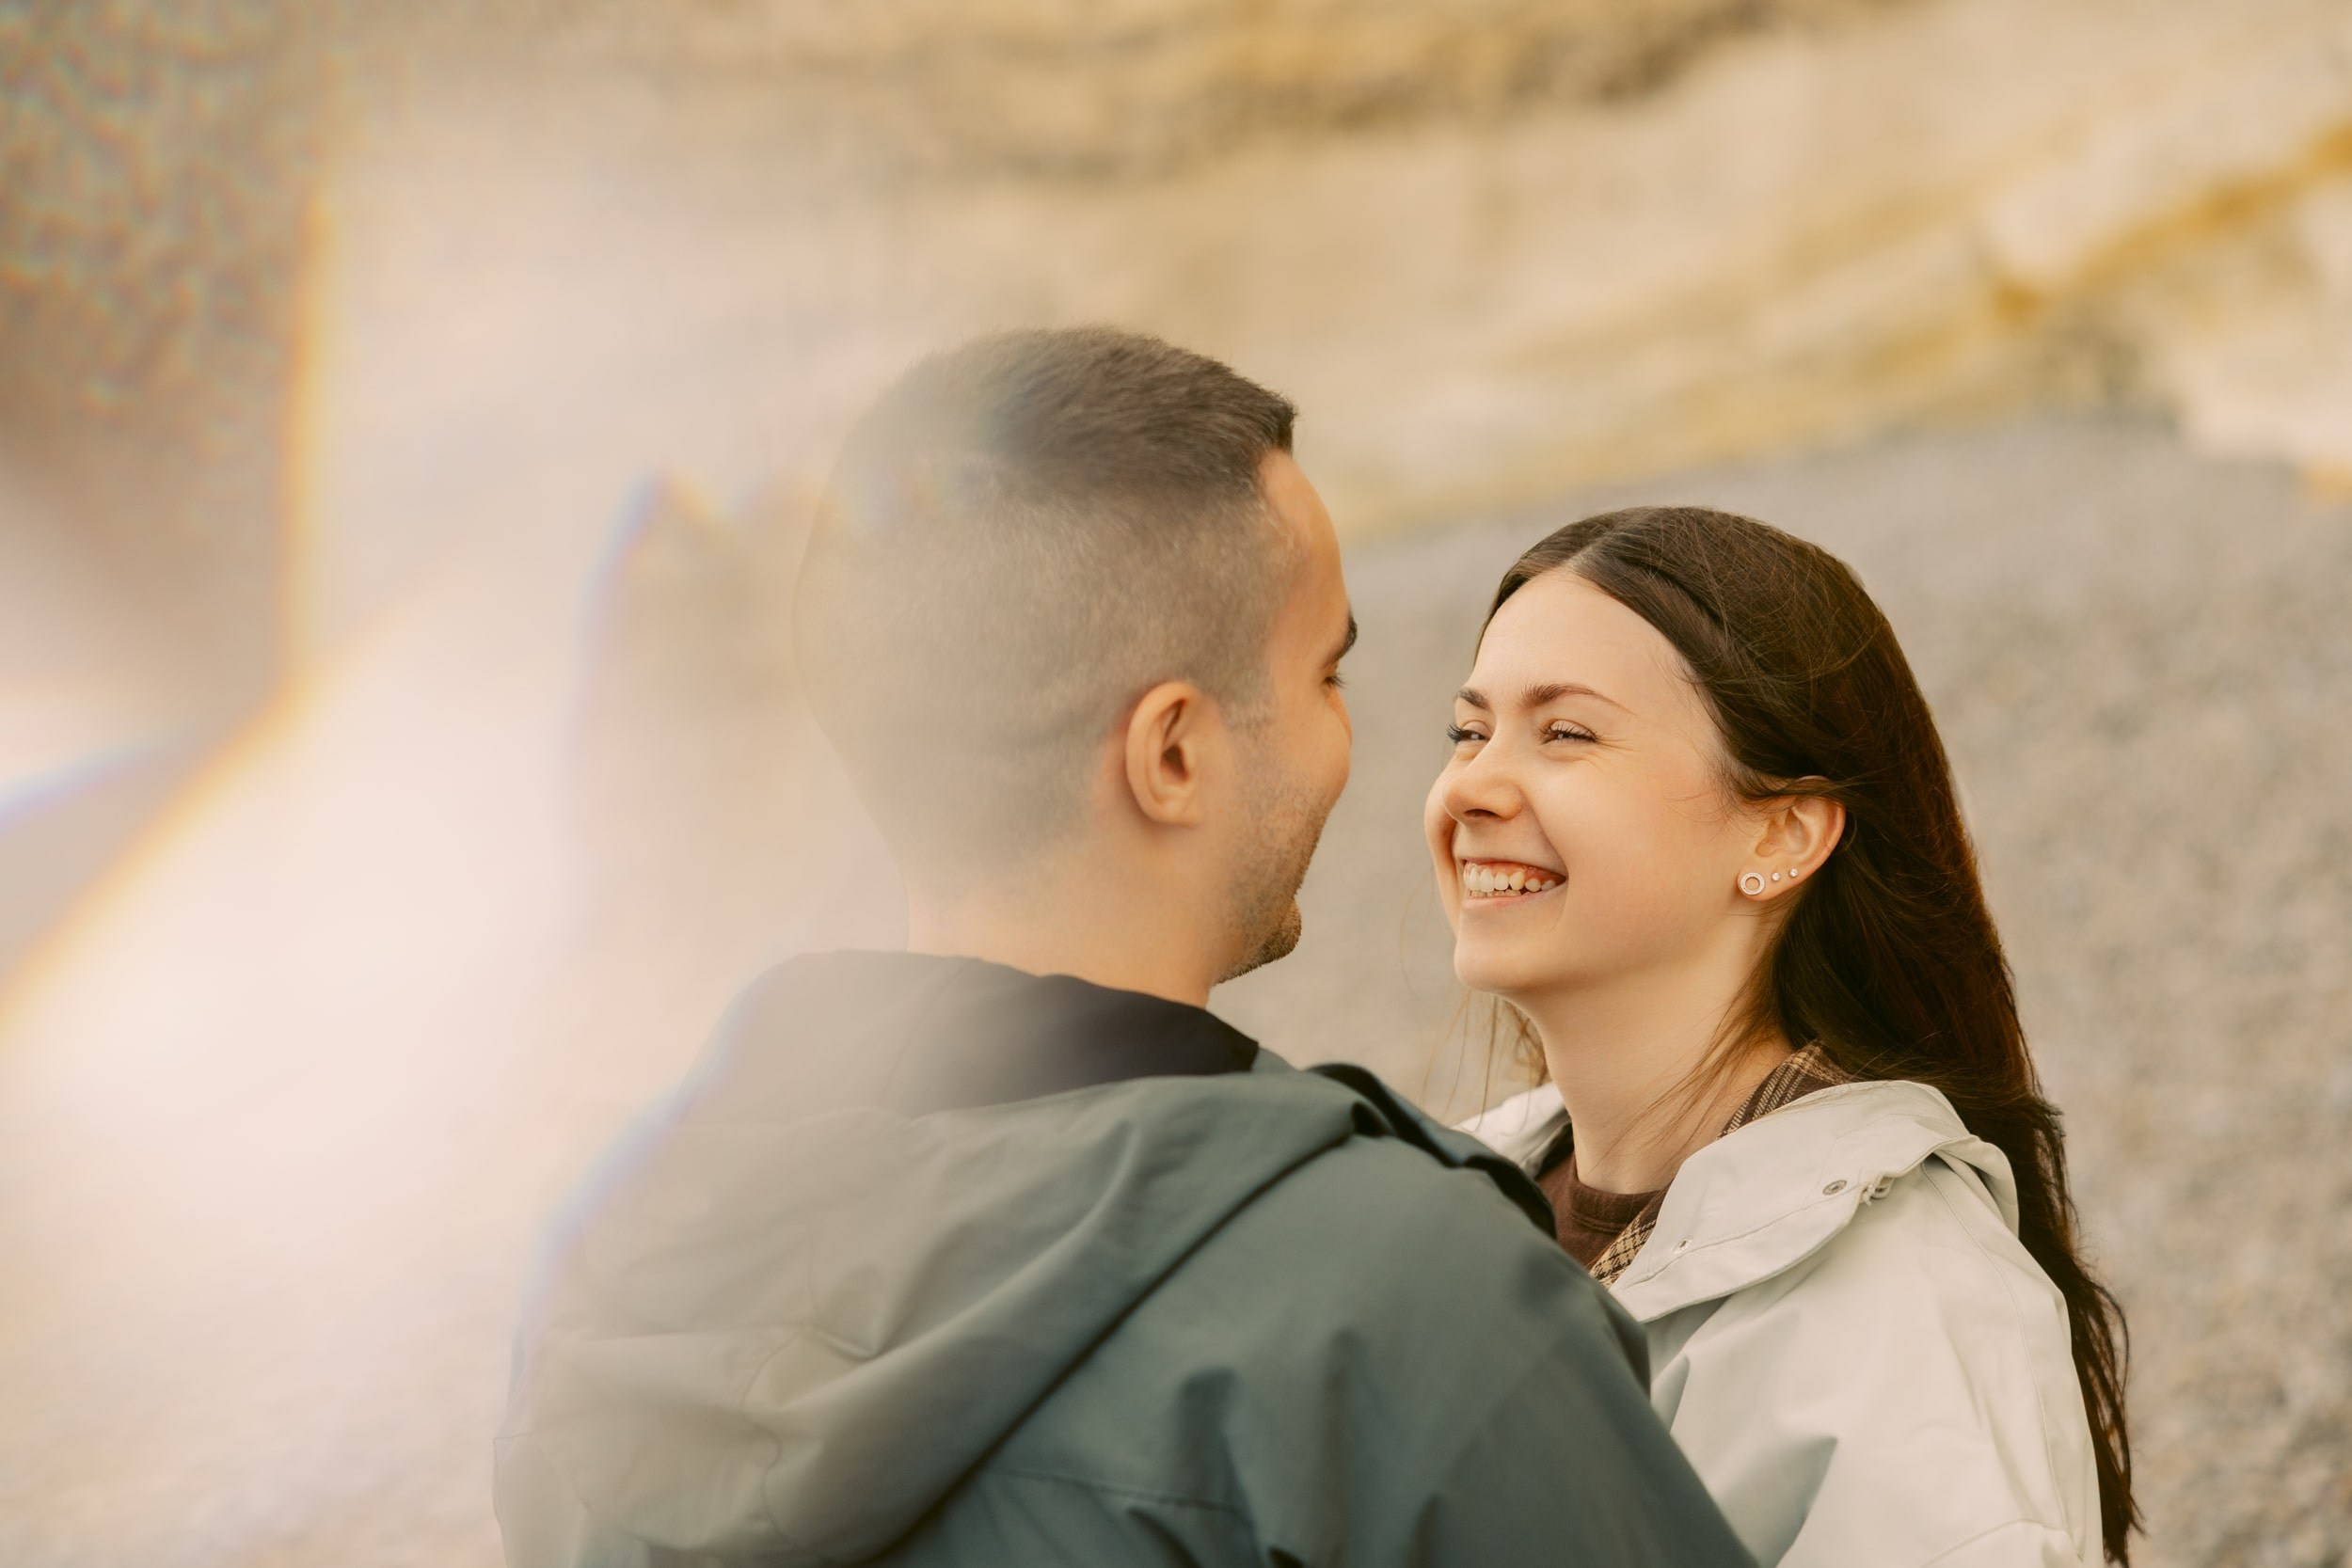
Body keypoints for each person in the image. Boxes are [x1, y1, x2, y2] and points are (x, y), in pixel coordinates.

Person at [494, 331, 1752, 1567]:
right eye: (1328, 674)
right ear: (1175, 754)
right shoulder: (1412, 1311)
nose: (1361, 743)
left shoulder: (613, 1255)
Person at [1434, 506, 2136, 1567]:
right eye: (1469, 728)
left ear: (1781, 832)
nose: (1472, 785)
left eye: (1564, 731)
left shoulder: (1902, 1313)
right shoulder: (1445, 1198)